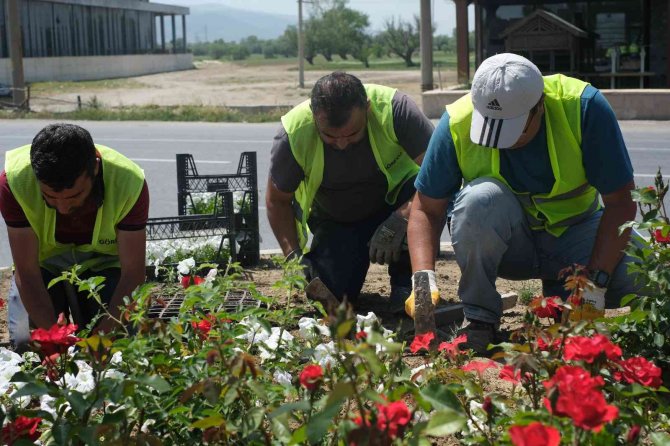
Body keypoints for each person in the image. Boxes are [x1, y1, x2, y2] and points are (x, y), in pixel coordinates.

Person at [406, 53, 640, 354]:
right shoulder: (457, 121)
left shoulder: (583, 108)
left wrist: (595, 285)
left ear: (539, 106)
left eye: (512, 131)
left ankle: (566, 297)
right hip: (512, 248)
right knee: (478, 201)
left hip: (577, 240)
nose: (502, 142)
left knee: (652, 280)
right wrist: (423, 278)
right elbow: (426, 208)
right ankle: (480, 319)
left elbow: (621, 202)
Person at [266, 72, 434, 309]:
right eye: (330, 137)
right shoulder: (293, 132)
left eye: (352, 134)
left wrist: (402, 218)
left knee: (425, 208)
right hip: (339, 219)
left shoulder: (395, 109)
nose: (342, 144)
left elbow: (438, 176)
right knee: (333, 297)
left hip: (399, 204)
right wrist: (293, 258)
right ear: (314, 117)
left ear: (367, 108)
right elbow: (277, 201)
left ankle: (406, 285)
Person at [1, 123, 149, 351]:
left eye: (75, 195)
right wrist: (55, 340)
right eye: (49, 196)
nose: (62, 207)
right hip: (44, 266)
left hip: (105, 264)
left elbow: (133, 274)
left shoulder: (129, 183)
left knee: (122, 338)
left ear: (95, 168)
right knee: (26, 340)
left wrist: (100, 338)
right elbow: (28, 273)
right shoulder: (14, 182)